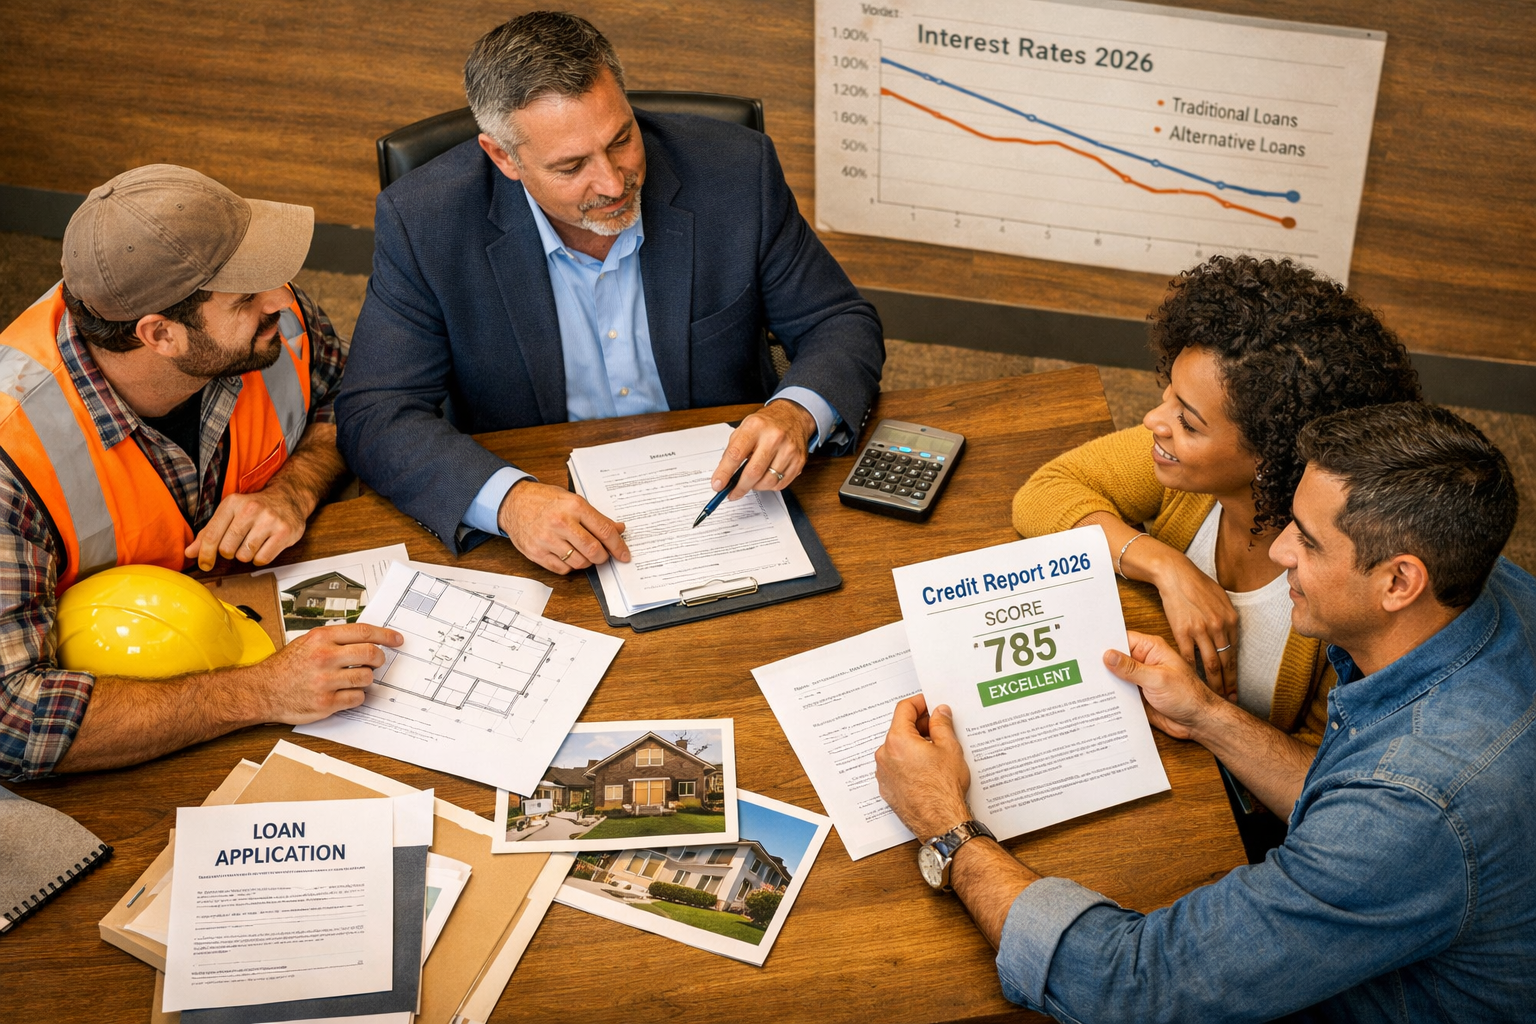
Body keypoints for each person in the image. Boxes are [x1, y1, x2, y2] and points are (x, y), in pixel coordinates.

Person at [876, 402, 1535, 1022]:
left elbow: (1130, 987)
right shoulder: (1475, 582)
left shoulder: (1411, 811)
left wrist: (947, 827)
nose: (1278, 552)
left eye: (1307, 542)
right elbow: (1347, 787)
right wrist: (1206, 714)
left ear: (1399, 581)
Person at [335, 11, 884, 574]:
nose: (614, 182)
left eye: (621, 139)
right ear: (504, 158)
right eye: (572, 166)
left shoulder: (736, 171)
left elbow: (838, 321)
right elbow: (376, 411)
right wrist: (509, 502)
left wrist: (795, 412)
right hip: (544, 504)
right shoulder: (424, 222)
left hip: (732, 493)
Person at [0, 164, 401, 782]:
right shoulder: (12, 452)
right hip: (135, 725)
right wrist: (259, 692)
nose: (281, 298)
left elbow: (350, 397)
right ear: (160, 334)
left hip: (252, 624)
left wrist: (293, 488)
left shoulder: (272, 321)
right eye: (245, 297)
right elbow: (14, 721)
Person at [1014, 256, 1420, 745]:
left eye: (1188, 422)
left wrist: (1204, 717)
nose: (1153, 420)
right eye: (1169, 395)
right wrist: (1166, 565)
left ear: (1273, 457)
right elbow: (1046, 490)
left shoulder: (1347, 589)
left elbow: (1319, 765)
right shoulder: (1185, 475)